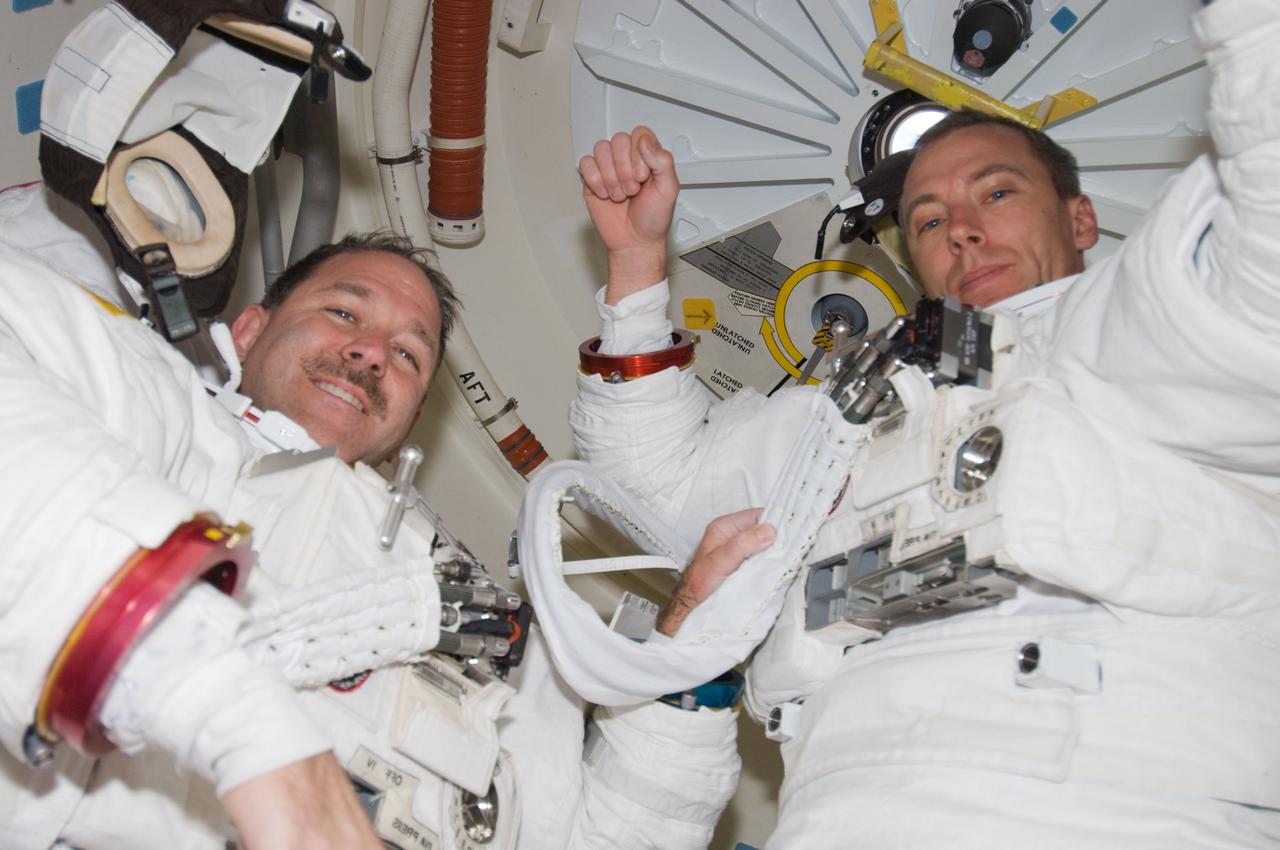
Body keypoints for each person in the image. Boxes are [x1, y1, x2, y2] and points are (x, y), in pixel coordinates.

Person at [563, 0, 1280, 846]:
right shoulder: (841, 417)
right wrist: (639, 263)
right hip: (848, 811)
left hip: (1120, 802)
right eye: (930, 220)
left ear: (1080, 219)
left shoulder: (1144, 332)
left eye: (998, 193)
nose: (963, 231)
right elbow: (652, 483)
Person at [0, 183, 766, 849]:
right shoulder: (161, 423)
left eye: (408, 355)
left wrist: (687, 652)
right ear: (248, 330)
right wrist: (250, 735)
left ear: (411, 418)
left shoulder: (489, 620)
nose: (370, 355)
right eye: (343, 313)